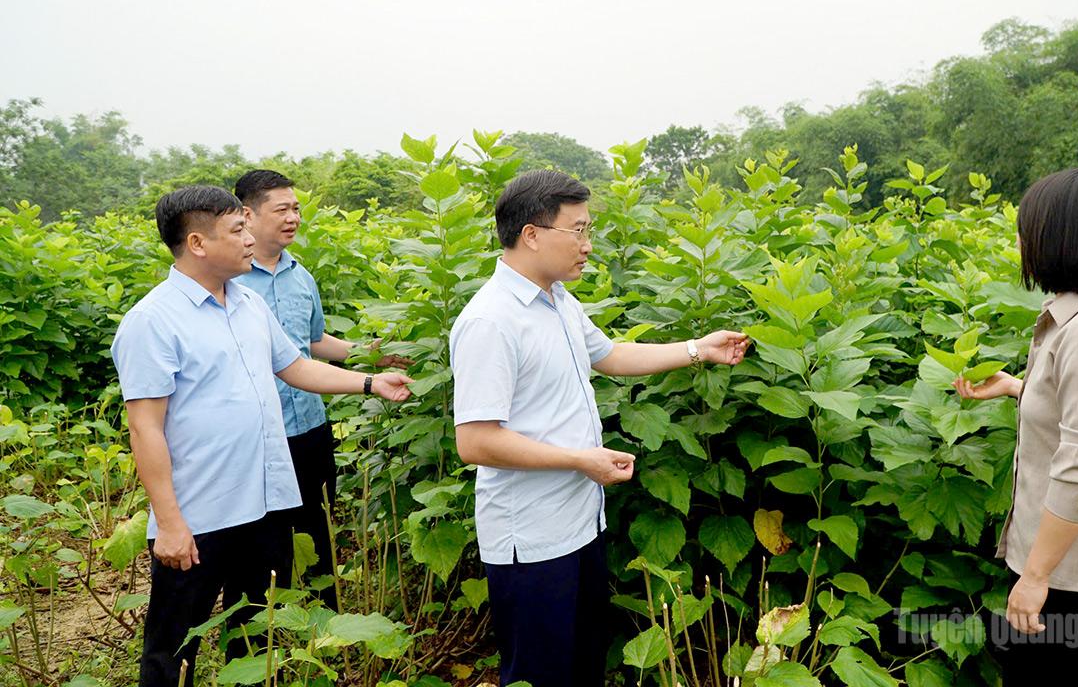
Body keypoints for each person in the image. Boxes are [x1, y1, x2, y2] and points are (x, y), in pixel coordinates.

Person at [449, 169, 750, 687]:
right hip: (533, 538)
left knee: (584, 662)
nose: (589, 245)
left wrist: (699, 348)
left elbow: (609, 355)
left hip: (580, 522)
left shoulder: (559, 300)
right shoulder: (491, 321)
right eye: (580, 230)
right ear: (532, 235)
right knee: (539, 674)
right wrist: (578, 459)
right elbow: (475, 441)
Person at [111, 185, 414, 687]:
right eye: (237, 229)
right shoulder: (152, 321)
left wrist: (369, 382)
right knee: (173, 643)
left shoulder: (249, 303)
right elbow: (145, 427)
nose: (250, 238)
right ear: (198, 243)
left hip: (265, 502)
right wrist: (169, 523)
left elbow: (294, 366)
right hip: (200, 513)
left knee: (254, 634)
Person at [953, 168, 1078, 686]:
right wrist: (1020, 388)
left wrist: (1037, 577)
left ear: (1064, 237)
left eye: (1029, 229)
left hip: (1077, 583)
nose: (1020, 241)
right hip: (1071, 573)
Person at [233, 169, 405, 604]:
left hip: (310, 424)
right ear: (247, 215)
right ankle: (262, 626)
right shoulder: (227, 279)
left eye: (296, 209)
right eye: (281, 210)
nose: (292, 217)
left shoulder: (299, 276)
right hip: (258, 432)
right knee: (262, 539)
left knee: (318, 528)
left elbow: (312, 344)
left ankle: (326, 623)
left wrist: (371, 355)